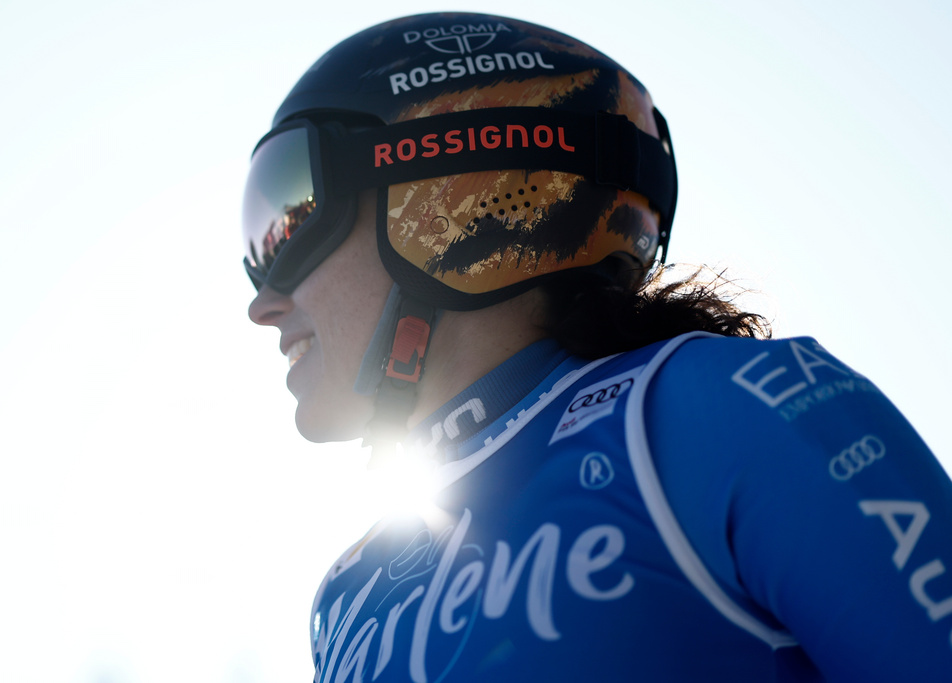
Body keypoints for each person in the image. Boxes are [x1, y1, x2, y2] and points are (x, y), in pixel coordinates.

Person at [241, 12, 952, 682]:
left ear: (449, 189)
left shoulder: (720, 407)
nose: (262, 301)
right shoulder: (349, 594)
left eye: (289, 209)